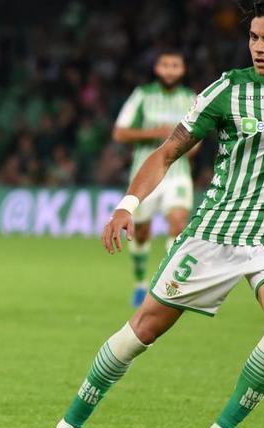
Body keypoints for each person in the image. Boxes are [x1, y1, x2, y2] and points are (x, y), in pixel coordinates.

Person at [36, 0, 264, 428]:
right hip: (214, 234)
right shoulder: (228, 90)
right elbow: (167, 152)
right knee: (141, 332)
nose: (258, 47)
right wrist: (126, 205)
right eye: (253, 37)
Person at [112, 51, 198, 307]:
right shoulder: (143, 95)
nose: (170, 70)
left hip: (178, 174)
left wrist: (179, 142)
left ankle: (166, 286)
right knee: (140, 233)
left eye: (175, 65)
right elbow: (120, 133)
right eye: (165, 65)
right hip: (145, 174)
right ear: (157, 68)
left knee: (178, 223)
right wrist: (155, 132)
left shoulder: (190, 98)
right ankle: (139, 285)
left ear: (182, 70)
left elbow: (195, 146)